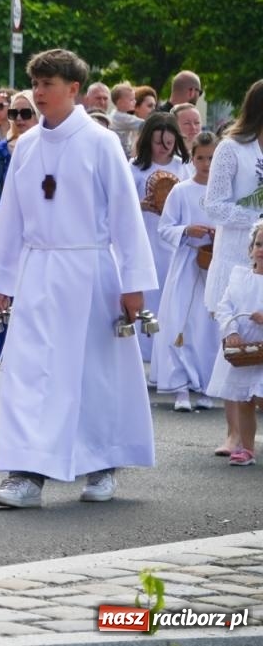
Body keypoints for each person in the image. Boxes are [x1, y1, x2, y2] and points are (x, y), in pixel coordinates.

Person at [0, 49, 157, 508]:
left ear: (74, 89)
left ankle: (101, 462)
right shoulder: (27, 146)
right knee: (29, 373)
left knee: (93, 374)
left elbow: (125, 213)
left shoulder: (100, 143)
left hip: (91, 270)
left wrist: (133, 282)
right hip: (39, 270)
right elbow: (12, 218)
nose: (38, 93)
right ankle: (27, 474)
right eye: (35, 84)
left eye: (48, 85)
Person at [202, 79, 263, 458]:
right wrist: (258, 217)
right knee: (235, 343)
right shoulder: (231, 149)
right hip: (237, 258)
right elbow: (214, 205)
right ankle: (233, 435)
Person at [152, 132, 220, 414]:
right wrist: (186, 231)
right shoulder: (181, 191)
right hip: (186, 264)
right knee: (180, 321)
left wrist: (219, 236)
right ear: (192, 159)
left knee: (207, 327)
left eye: (212, 158)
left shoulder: (223, 193)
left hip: (213, 265)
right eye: (201, 158)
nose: (206, 164)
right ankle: (180, 386)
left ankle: (205, 386)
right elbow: (164, 228)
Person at [206, 220, 263, 466]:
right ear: (251, 248)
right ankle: (246, 448)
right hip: (244, 350)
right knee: (244, 401)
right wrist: (231, 330)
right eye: (259, 243)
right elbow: (225, 306)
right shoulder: (240, 276)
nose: (261, 249)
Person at [130, 111, 191, 294]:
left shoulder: (182, 167)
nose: (163, 148)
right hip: (145, 238)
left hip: (173, 240)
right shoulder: (135, 167)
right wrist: (140, 205)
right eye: (158, 143)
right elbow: (123, 203)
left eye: (169, 143)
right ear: (148, 139)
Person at [0, 90, 37, 225]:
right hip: (7, 226)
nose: (19, 118)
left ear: (37, 114)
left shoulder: (49, 149)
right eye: (14, 113)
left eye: (25, 113)